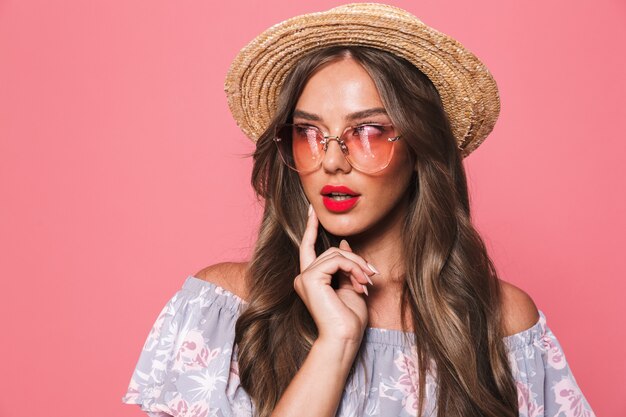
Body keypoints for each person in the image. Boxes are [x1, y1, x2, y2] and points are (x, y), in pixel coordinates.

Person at [122, 3, 595, 417]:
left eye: (366, 132)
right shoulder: (226, 310)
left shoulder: (503, 322)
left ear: (420, 148)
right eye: (309, 134)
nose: (330, 161)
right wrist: (337, 342)